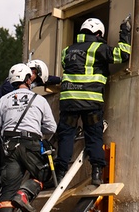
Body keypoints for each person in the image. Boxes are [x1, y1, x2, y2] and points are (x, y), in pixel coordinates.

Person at [55, 15, 132, 185]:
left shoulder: (67, 51)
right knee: (94, 136)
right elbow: (123, 54)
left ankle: (60, 174)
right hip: (91, 101)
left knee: (66, 136)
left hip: (68, 101)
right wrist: (125, 32)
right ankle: (96, 172)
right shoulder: (99, 48)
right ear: (99, 33)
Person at [0, 59, 58, 212]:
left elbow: (46, 80)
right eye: (36, 79)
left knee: (2, 165)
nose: (35, 84)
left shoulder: (15, 80)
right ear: (30, 75)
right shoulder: (11, 90)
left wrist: (61, 80)